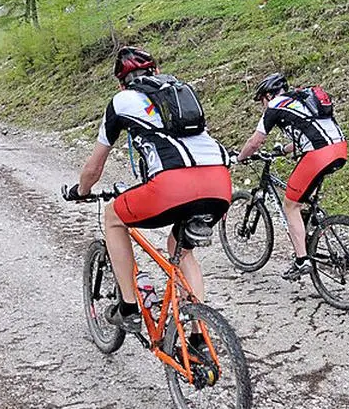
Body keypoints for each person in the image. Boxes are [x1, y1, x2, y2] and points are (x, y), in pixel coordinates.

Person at [65, 47, 233, 332]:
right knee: (180, 250)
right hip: (219, 182)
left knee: (113, 217)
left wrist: (81, 190)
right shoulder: (179, 94)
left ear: (120, 83)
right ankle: (197, 334)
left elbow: (94, 168)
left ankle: (129, 306)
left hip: (171, 186)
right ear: (156, 71)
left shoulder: (120, 102)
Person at [234, 73, 348, 280]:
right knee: (302, 200)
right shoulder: (300, 100)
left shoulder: (275, 105)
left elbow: (255, 142)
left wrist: (240, 158)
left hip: (318, 155)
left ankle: (301, 260)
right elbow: (310, 133)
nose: (262, 105)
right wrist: (284, 150)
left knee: (290, 205)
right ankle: (310, 237)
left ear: (268, 95)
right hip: (339, 149)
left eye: (261, 100)